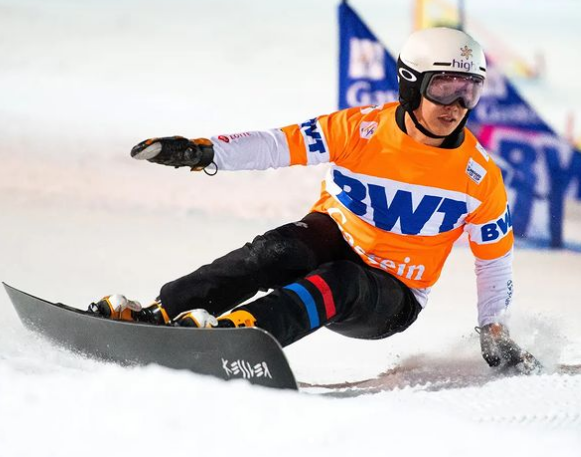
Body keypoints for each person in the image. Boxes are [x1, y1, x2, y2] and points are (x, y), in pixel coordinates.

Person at [90, 27, 541, 374]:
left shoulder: (478, 176)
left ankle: (238, 336)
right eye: (443, 87)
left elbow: (494, 261)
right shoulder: (360, 129)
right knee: (280, 248)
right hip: (336, 240)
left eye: (469, 90)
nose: (456, 104)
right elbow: (278, 144)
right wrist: (206, 152)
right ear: (410, 83)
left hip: (392, 296)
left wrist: (494, 329)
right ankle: (162, 312)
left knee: (343, 279)